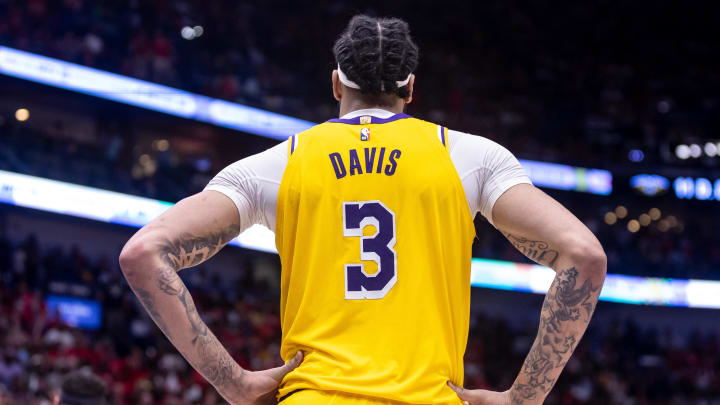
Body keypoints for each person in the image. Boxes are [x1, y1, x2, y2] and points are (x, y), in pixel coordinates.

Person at [119, 14, 606, 405]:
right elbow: (583, 255)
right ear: (410, 88)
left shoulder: (277, 163)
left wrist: (233, 382)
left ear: (336, 83)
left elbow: (143, 253)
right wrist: (525, 397)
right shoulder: (471, 157)